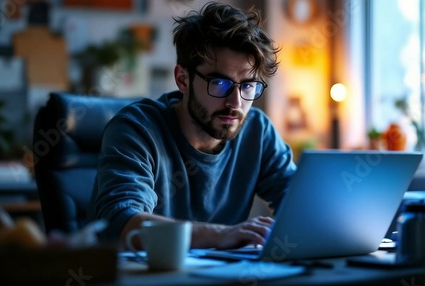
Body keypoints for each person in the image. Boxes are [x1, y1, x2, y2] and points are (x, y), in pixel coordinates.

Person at [89, 2, 297, 250]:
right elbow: (123, 222)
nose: (236, 102)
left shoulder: (257, 132)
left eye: (248, 85)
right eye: (220, 84)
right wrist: (220, 235)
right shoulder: (136, 129)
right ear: (183, 79)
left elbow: (299, 203)